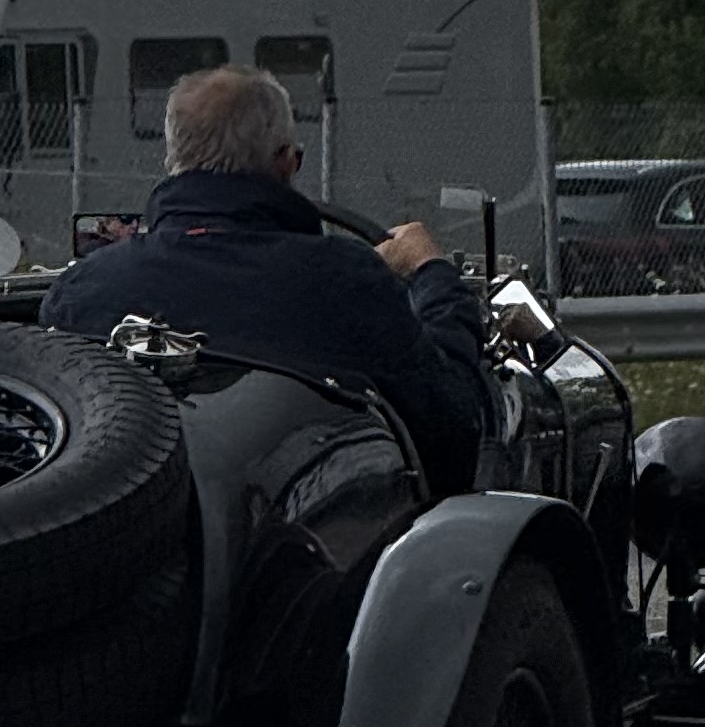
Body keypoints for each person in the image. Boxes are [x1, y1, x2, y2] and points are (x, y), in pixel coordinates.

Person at [39, 65, 490, 493]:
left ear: (173, 161)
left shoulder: (84, 289)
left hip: (116, 546)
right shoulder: (343, 279)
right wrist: (434, 277)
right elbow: (451, 430)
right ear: (284, 165)